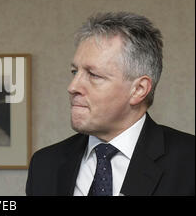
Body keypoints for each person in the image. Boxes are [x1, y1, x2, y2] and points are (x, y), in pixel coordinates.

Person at [26, 12, 195, 196]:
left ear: (139, 89)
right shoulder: (45, 164)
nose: (72, 87)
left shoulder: (188, 161)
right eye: (75, 72)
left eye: (94, 75)